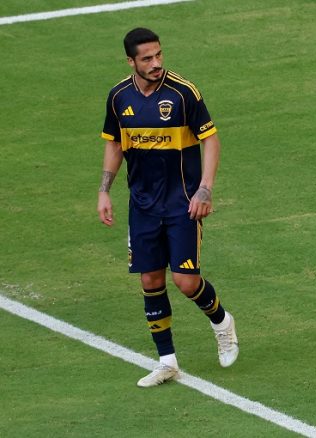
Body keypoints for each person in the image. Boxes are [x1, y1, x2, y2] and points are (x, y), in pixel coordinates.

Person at [97, 28, 239, 387]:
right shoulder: (119, 97)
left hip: (182, 204)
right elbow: (115, 144)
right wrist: (104, 191)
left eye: (158, 55)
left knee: (186, 281)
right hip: (142, 205)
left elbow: (211, 139)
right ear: (131, 61)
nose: (156, 63)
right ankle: (167, 362)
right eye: (147, 58)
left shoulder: (182, 93)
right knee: (150, 279)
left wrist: (205, 189)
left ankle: (222, 322)